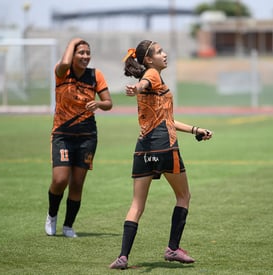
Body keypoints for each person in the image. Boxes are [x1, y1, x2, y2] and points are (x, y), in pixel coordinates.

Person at [109, 40, 213, 269]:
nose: (164, 54)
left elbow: (167, 120)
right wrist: (135, 88)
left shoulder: (151, 78)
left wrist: (196, 130)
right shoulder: (153, 74)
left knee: (136, 205)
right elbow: (145, 83)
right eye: (159, 51)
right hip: (166, 148)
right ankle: (173, 249)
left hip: (143, 149)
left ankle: (123, 257)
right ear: (148, 59)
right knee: (184, 196)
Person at [45, 38, 113, 238]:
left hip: (87, 136)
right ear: (72, 54)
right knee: (60, 180)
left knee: (77, 183)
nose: (85, 56)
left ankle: (68, 226)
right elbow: (64, 63)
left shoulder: (95, 75)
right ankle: (51, 215)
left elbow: (109, 102)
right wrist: (73, 41)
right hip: (63, 134)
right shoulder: (62, 72)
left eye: (87, 53)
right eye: (80, 52)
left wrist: (98, 104)